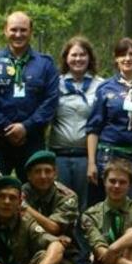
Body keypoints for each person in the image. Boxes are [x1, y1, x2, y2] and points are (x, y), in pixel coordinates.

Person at [0, 11, 59, 181]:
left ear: (31, 32)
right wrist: (7, 128)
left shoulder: (45, 63)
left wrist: (26, 127)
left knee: (36, 189)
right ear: (5, 31)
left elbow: (50, 101)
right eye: (14, 30)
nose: (18, 34)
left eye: (23, 30)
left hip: (32, 139)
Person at [85, 37, 132, 207]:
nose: (127, 59)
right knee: (112, 205)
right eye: (122, 55)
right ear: (116, 58)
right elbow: (93, 128)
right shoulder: (105, 88)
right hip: (112, 155)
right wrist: (91, 162)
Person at [49, 36, 104, 212]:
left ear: (90, 58)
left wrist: (92, 161)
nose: (78, 59)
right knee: (62, 204)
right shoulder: (56, 84)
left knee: (85, 205)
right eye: (74, 55)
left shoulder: (101, 85)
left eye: (82, 55)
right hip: (60, 154)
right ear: (66, 58)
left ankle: (84, 239)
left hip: (87, 157)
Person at [21, 150, 86, 264]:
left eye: (48, 171)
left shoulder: (67, 196)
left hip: (64, 254)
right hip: (28, 249)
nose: (43, 176)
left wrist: (25, 207)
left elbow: (54, 228)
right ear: (29, 175)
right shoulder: (21, 192)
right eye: (38, 171)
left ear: (55, 173)